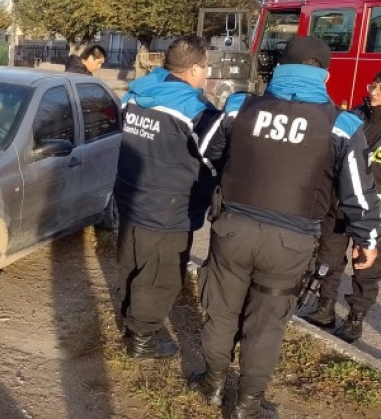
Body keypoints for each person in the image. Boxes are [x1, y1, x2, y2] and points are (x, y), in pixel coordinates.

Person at [188, 36, 381, 419]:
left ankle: (211, 384)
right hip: (290, 242)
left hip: (233, 229)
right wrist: (368, 239)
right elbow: (358, 194)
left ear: (280, 66)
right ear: (324, 74)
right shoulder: (342, 124)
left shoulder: (241, 105)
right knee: (267, 322)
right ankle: (247, 405)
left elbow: (206, 151)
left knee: (222, 311)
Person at [115, 35, 221, 359]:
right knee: (160, 274)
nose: (207, 73)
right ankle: (142, 338)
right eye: (206, 67)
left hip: (131, 194)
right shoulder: (195, 109)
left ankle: (129, 319)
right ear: (193, 69)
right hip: (168, 206)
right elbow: (213, 157)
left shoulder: (136, 94)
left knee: (131, 261)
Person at [302, 71, 381, 343]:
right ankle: (324, 307)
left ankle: (355, 318)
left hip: (373, 212)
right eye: (373, 86)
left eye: (380, 89)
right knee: (328, 259)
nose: (374, 92)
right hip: (337, 205)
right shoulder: (355, 117)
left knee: (365, 268)